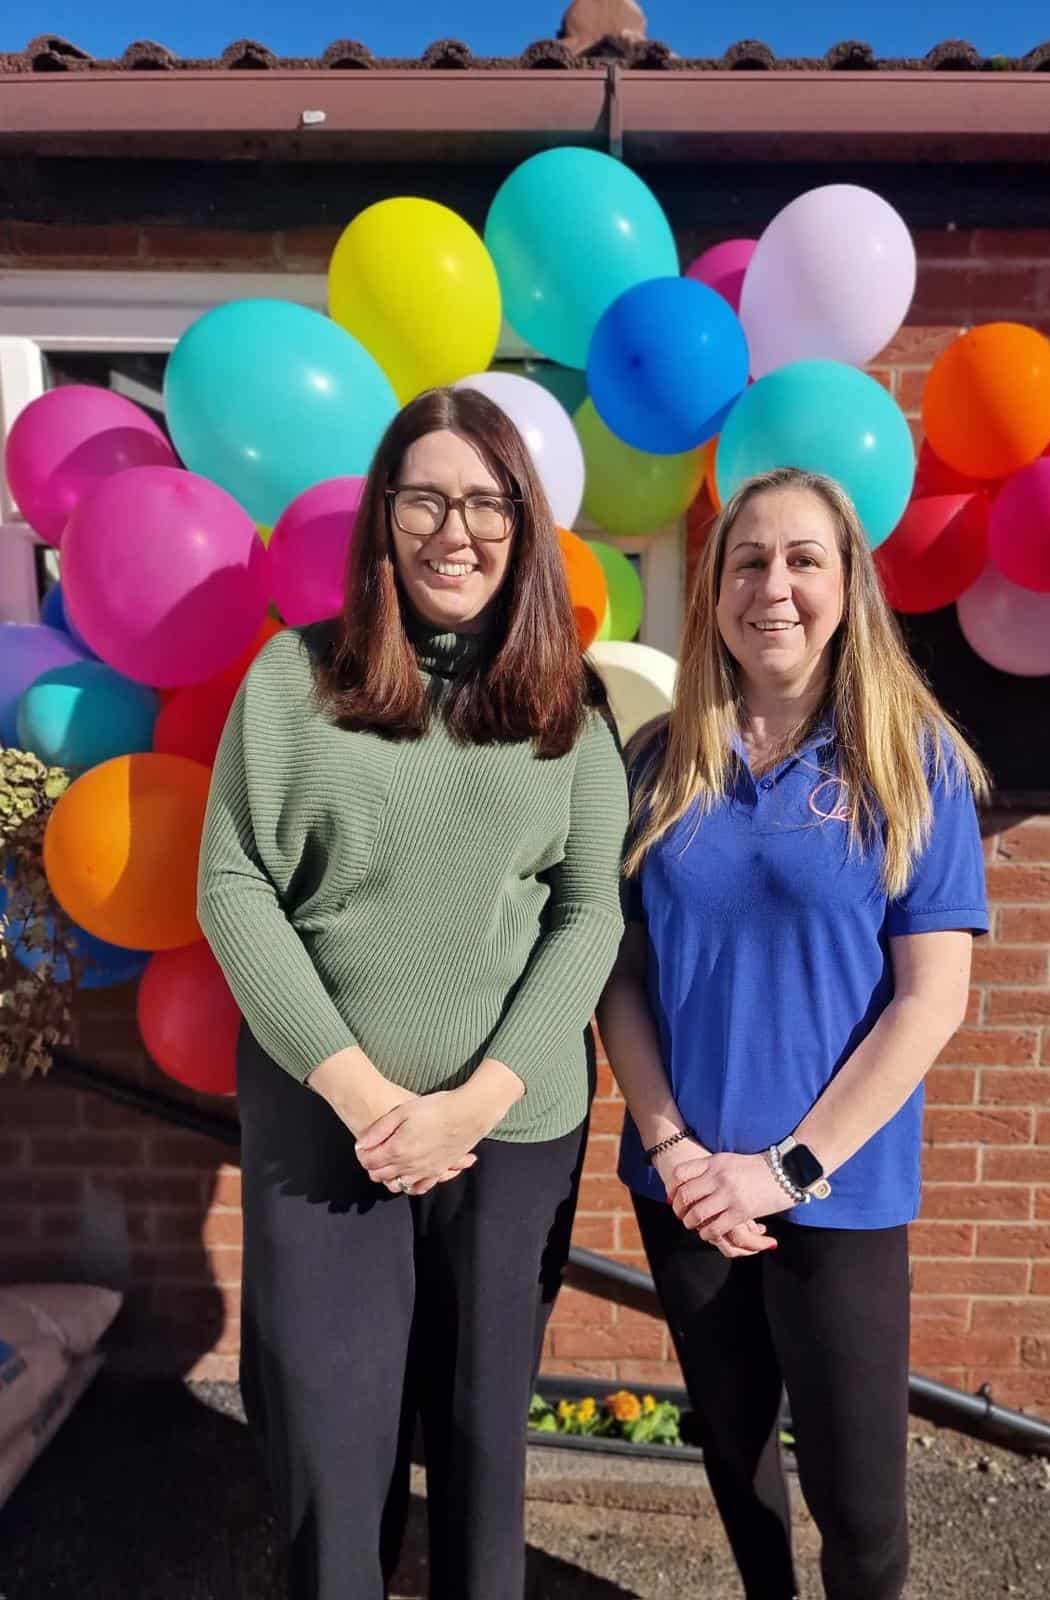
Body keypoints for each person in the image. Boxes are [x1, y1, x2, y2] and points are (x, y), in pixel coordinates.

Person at [196, 386, 628, 1600]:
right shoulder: (293, 679)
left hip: (508, 1134)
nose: (455, 531)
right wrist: (364, 1096)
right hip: (325, 1124)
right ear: (382, 516)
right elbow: (232, 884)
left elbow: (589, 912)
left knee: (483, 1448)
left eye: (486, 502)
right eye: (424, 499)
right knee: (333, 1456)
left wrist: (470, 1106)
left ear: (522, 524)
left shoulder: (569, 704)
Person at [597, 466, 989, 1600]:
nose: (772, 586)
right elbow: (619, 977)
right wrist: (674, 1148)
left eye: (802, 559)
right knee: (733, 1456)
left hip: (836, 1194)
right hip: (684, 1190)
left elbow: (930, 1000)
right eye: (747, 561)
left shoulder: (909, 760)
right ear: (713, 591)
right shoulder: (657, 761)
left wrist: (785, 1168)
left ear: (846, 585)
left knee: (860, 1509)